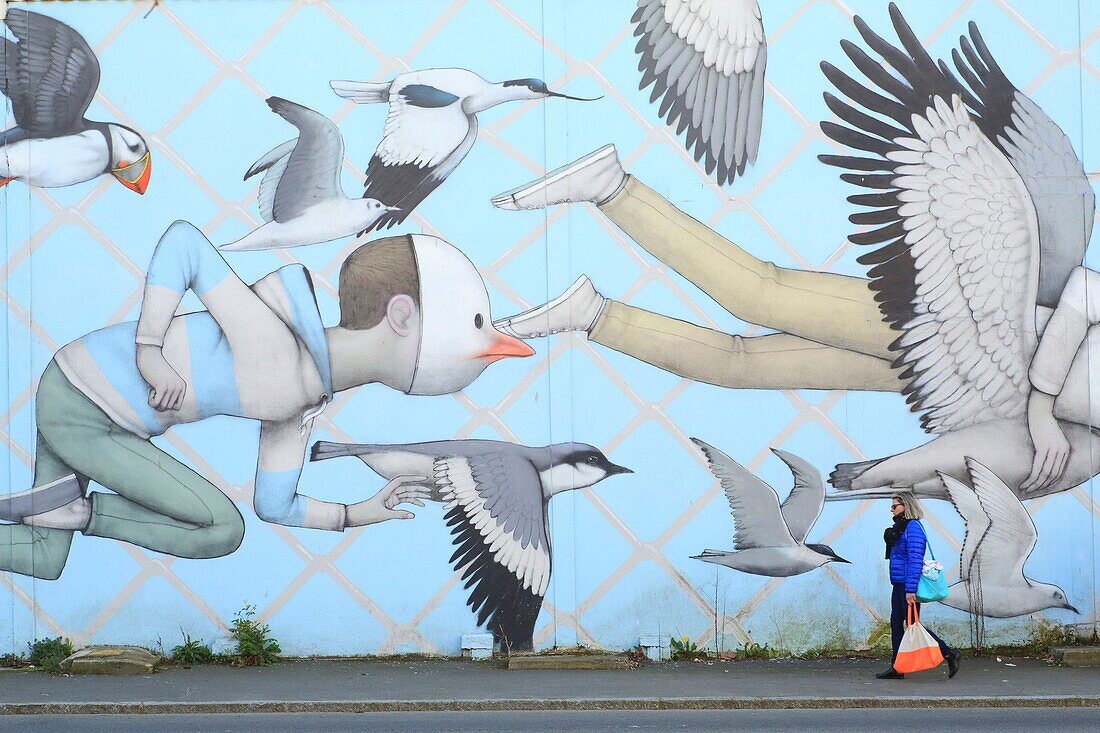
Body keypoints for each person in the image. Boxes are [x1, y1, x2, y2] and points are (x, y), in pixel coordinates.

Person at [490, 144, 1100, 497]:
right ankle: (613, 188)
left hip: (953, 378)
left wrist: (888, 475)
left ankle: (593, 315)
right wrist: (1045, 406)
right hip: (967, 327)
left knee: (739, 365)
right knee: (762, 295)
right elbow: (1084, 294)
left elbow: (1005, 460)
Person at [0, 221, 533, 580]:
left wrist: (357, 513)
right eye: (476, 326)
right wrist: (148, 350)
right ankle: (82, 514)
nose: (493, 345)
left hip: (89, 405)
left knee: (45, 558)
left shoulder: (300, 401)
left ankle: (74, 515)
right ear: (400, 315)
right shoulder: (277, 341)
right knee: (221, 528)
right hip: (82, 407)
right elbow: (184, 243)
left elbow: (274, 505)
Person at [878, 493, 960, 680]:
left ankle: (949, 653)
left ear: (905, 506)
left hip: (907, 584)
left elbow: (915, 560)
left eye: (894, 506)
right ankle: (897, 667)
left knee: (913, 624)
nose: (891, 510)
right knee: (896, 623)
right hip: (899, 583)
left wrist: (910, 589)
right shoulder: (899, 528)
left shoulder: (913, 528)